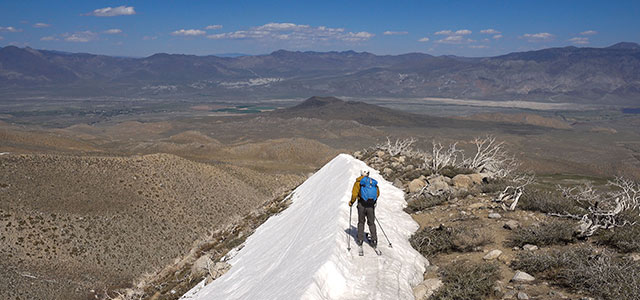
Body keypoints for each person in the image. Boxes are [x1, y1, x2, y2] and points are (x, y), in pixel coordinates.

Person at [349, 170, 380, 249]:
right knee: (371, 223)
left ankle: (360, 239)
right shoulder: (372, 183)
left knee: (361, 222)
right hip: (370, 205)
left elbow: (354, 194)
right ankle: (374, 240)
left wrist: (351, 202)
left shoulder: (358, 182)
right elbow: (377, 193)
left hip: (361, 205)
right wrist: (373, 201)